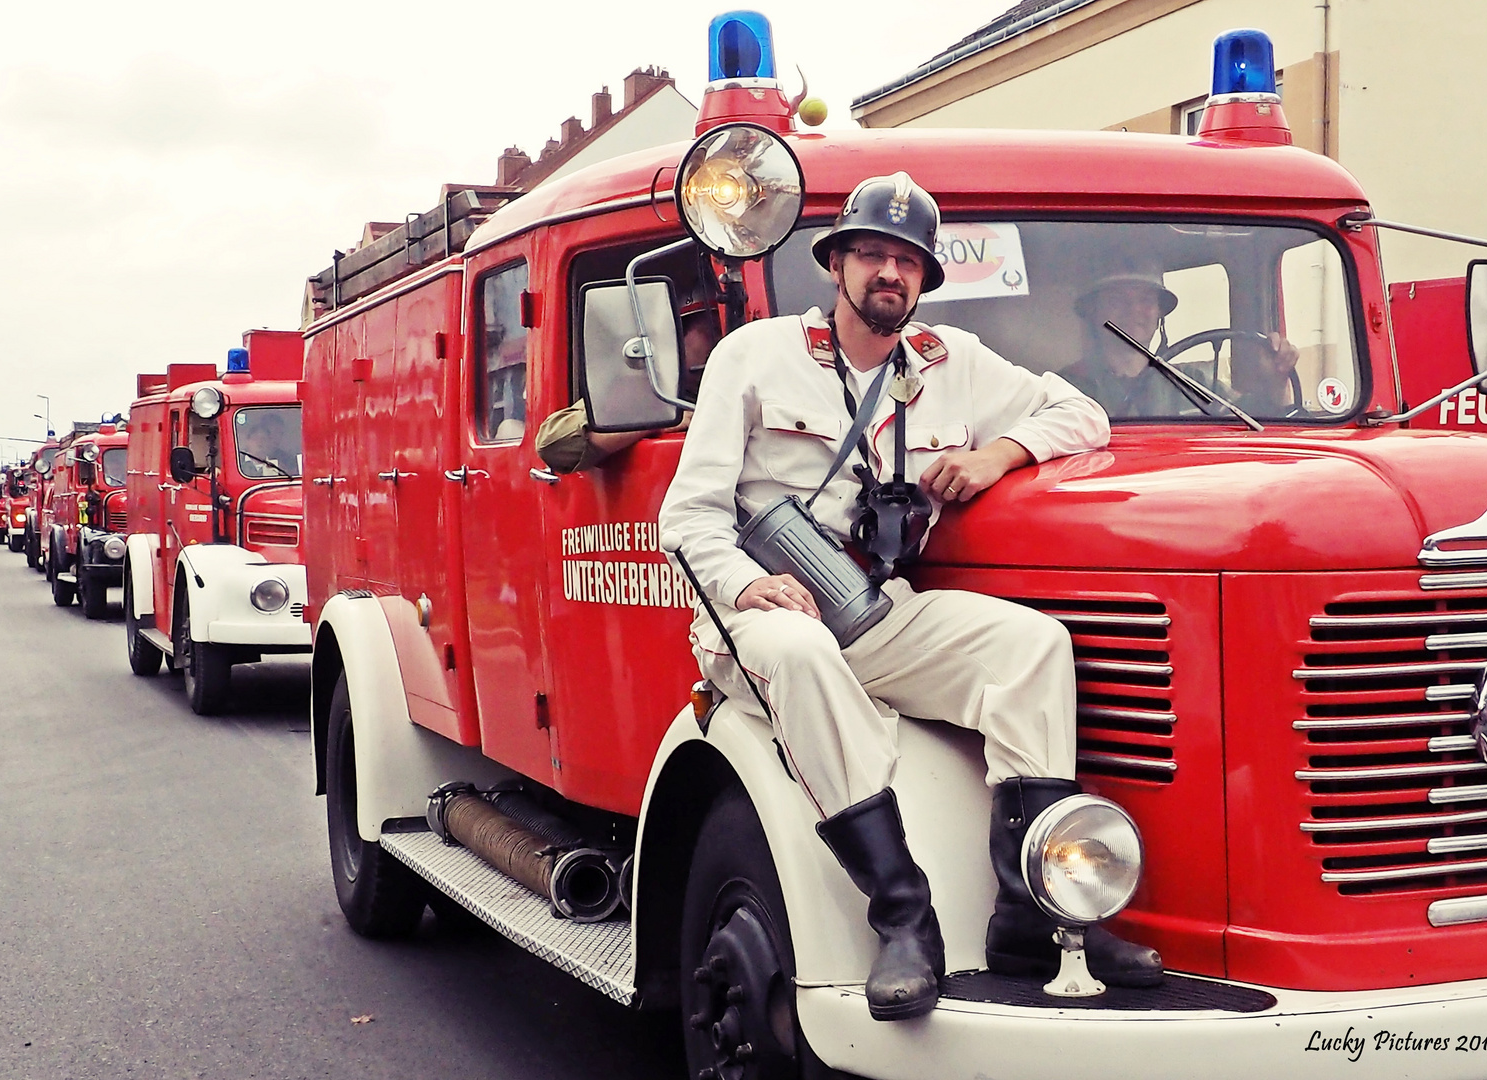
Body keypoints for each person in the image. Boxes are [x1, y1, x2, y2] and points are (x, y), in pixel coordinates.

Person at [659, 172, 1160, 1023]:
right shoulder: (758, 355)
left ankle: (1030, 918)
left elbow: (1084, 416)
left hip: (875, 608)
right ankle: (902, 918)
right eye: (872, 255)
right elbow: (688, 516)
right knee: (801, 650)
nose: (889, 273)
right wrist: (752, 583)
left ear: (924, 279)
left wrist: (1000, 453)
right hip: (757, 622)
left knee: (1031, 646)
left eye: (907, 261)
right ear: (836, 264)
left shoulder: (949, 362)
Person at [535, 284, 722, 474]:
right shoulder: (648, 391)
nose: (723, 341)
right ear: (674, 336)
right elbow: (553, 443)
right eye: (712, 330)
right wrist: (659, 419)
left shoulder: (739, 386)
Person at [1067, 269, 1300, 417]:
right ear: (1094, 312)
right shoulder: (1067, 389)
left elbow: (1255, 424)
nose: (1134, 309)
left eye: (1146, 299)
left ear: (1159, 314)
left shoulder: (1192, 382)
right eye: (1117, 300)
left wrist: (1276, 382)